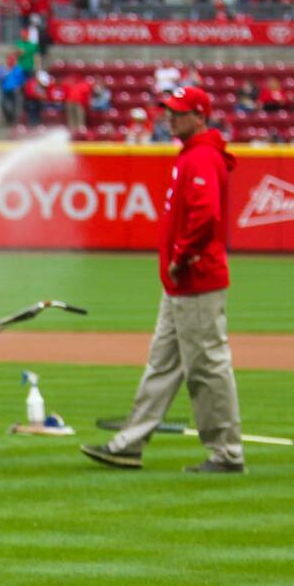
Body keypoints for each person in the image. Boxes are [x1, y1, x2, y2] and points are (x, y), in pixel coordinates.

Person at [81, 86, 244, 474]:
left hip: (196, 277)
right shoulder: (192, 154)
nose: (170, 117)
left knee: (206, 366)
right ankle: (128, 444)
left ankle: (227, 453)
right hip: (180, 282)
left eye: (179, 112)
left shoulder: (203, 156)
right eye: (169, 111)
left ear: (200, 116)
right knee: (162, 364)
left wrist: (182, 254)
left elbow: (205, 215)